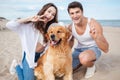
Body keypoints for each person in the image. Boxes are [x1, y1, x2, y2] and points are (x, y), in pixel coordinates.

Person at [6, 3, 58, 80]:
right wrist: (29, 19)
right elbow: (9, 25)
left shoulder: (51, 28)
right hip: (29, 56)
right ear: (43, 11)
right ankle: (16, 65)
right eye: (49, 11)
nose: (50, 15)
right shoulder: (30, 25)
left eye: (53, 14)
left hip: (41, 57)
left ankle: (20, 67)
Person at [67, 1, 109, 78]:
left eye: (77, 12)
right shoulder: (70, 27)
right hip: (78, 51)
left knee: (83, 58)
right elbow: (70, 43)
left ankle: (91, 66)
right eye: (72, 13)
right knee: (66, 70)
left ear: (82, 12)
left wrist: (96, 37)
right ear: (69, 15)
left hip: (93, 49)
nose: (75, 15)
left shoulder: (93, 23)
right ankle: (81, 62)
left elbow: (106, 49)